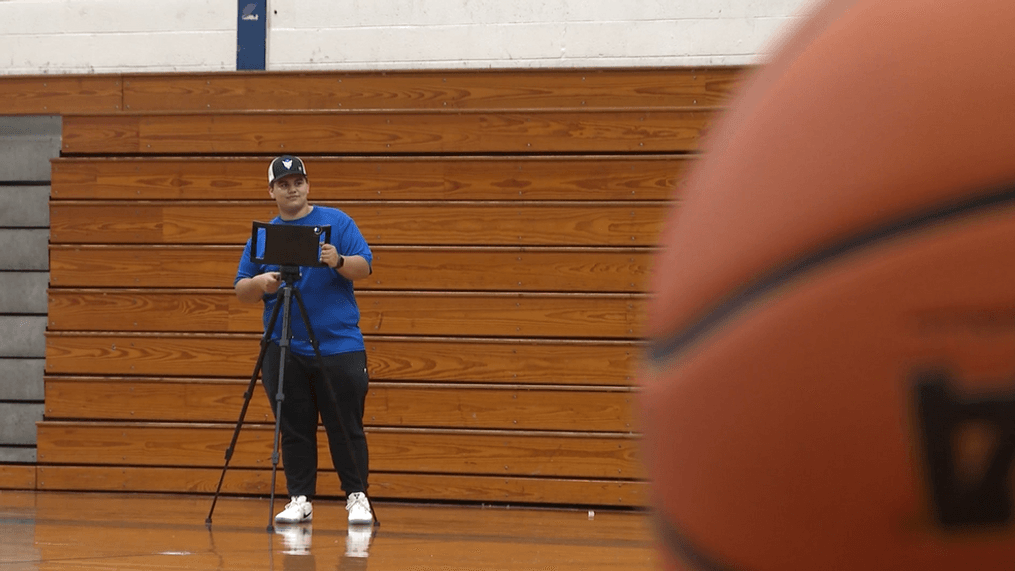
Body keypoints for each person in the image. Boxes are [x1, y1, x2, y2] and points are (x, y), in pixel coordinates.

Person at [234, 155, 374, 526]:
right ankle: (299, 498)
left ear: (308, 185)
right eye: (283, 184)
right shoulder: (264, 235)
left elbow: (365, 266)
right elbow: (241, 288)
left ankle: (357, 496)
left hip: (338, 345)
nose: (292, 188)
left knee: (345, 424)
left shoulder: (337, 222)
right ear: (271, 191)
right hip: (284, 346)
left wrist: (338, 259)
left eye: (298, 181)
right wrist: (261, 284)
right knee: (293, 425)